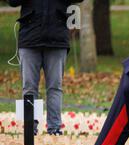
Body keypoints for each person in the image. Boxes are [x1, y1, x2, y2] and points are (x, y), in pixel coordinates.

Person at [8, 0, 84, 135]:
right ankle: (30, 129)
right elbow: (13, 2)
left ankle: (54, 128)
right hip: (29, 39)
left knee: (55, 86)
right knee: (29, 86)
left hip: (57, 40)